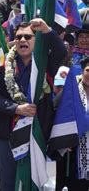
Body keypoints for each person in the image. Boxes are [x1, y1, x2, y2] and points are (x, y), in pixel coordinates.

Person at [0, 19, 67, 190]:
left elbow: (61, 51)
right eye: (19, 37)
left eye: (28, 37)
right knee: (8, 181)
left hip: (36, 131)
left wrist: (46, 29)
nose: (23, 40)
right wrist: (16, 108)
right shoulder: (2, 63)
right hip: (7, 132)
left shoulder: (44, 63)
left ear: (36, 40)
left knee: (32, 180)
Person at [56, 56, 89, 190]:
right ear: (82, 71)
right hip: (73, 149)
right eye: (88, 70)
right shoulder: (71, 90)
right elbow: (57, 110)